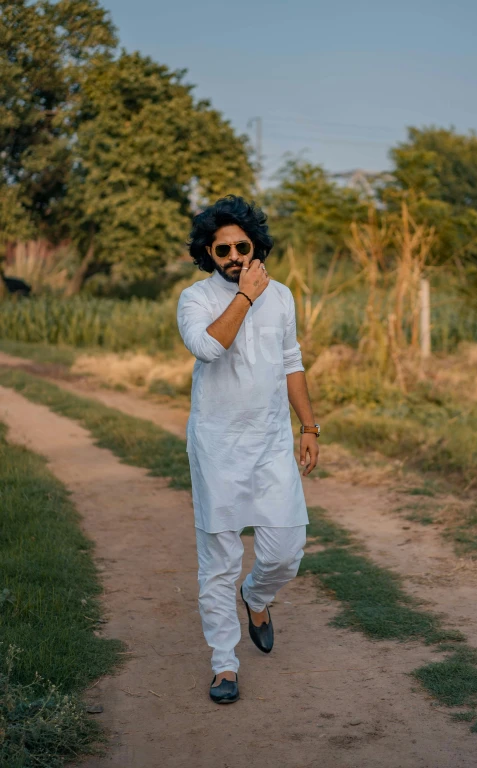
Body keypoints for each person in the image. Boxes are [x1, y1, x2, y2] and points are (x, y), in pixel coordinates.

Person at [177, 195, 320, 704]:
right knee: (218, 559)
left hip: (271, 443)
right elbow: (209, 348)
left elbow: (291, 361)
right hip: (216, 447)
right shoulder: (194, 299)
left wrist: (309, 427)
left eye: (242, 245)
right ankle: (224, 665)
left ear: (256, 243)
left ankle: (256, 595)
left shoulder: (282, 295)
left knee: (286, 551)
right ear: (208, 254)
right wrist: (245, 297)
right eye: (222, 250)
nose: (235, 256)